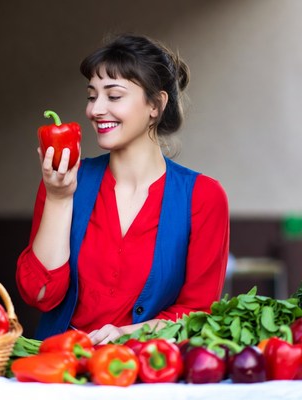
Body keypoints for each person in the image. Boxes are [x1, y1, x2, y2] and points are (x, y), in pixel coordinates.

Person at [16, 33, 229, 344]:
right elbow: (41, 294)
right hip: (61, 370)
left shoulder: (203, 197)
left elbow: (199, 312)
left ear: (156, 105)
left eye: (113, 96)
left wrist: (126, 334)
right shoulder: (66, 180)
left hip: (149, 373)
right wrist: (59, 198)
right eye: (92, 96)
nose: (95, 110)